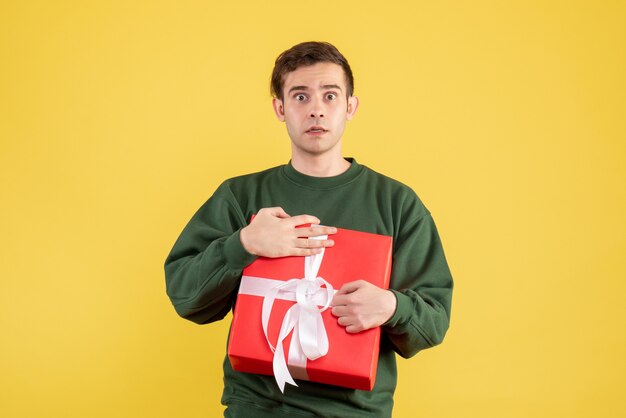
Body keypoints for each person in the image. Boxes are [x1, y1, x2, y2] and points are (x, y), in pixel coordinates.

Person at [164, 41, 454, 418]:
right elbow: (186, 298)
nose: (316, 108)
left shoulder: (397, 203)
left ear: (350, 107)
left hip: (356, 413)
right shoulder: (240, 196)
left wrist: (392, 306)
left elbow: (434, 321)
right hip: (256, 409)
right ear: (280, 108)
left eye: (330, 95)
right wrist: (244, 243)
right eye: (300, 96)